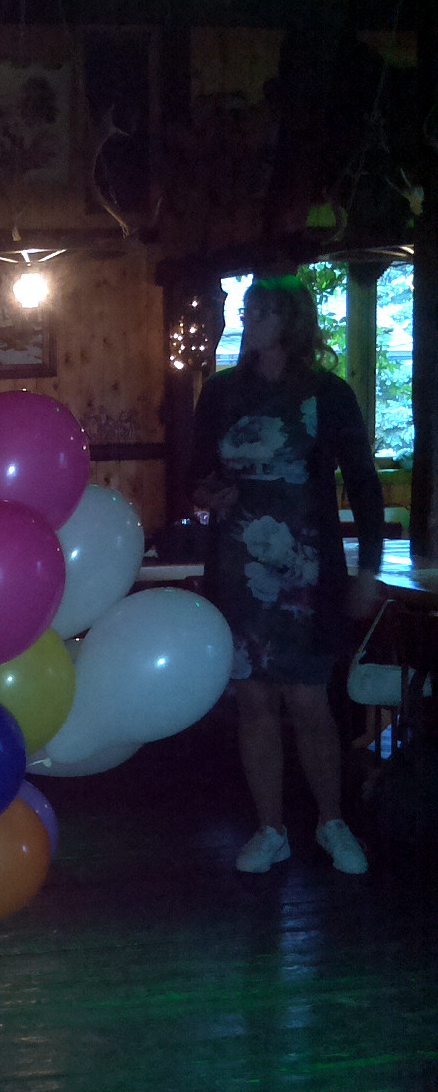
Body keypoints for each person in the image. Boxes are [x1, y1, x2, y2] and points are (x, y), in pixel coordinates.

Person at [189, 274, 383, 876]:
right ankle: (271, 829)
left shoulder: (327, 392)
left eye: (262, 312)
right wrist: (208, 496)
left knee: (308, 700)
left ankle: (332, 822)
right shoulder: (220, 392)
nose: (248, 321)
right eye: (247, 310)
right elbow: (196, 477)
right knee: (253, 701)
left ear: (291, 321)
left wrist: (367, 570)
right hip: (238, 566)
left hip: (307, 569)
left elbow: (364, 484)